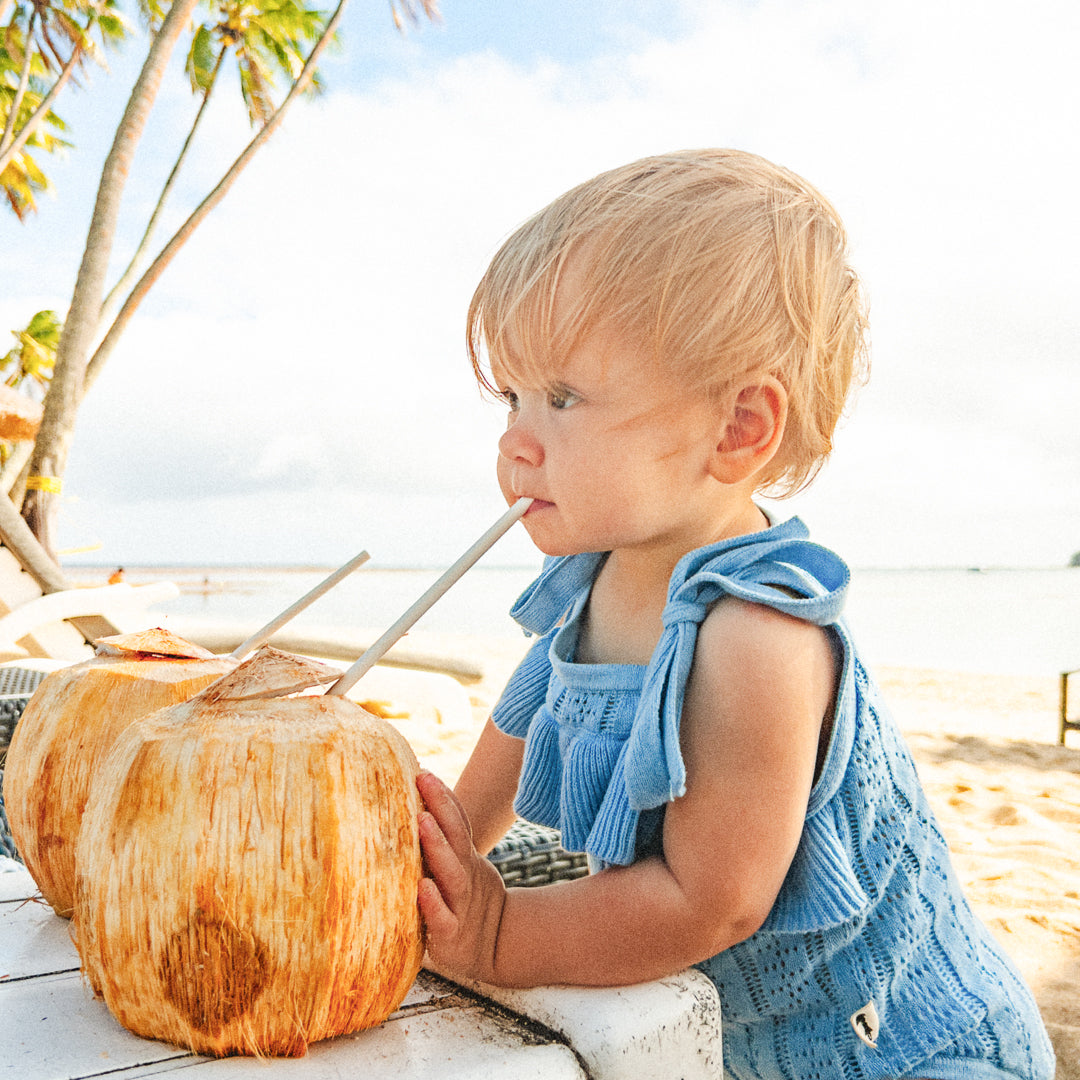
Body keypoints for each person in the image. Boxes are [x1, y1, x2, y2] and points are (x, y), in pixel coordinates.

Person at [415, 149, 1055, 1080]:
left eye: (562, 398)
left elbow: (710, 904)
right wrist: (430, 860)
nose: (515, 440)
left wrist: (499, 930)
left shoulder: (760, 633)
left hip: (904, 1052)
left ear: (738, 429)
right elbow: (514, 743)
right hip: (752, 1047)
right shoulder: (597, 580)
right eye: (511, 395)